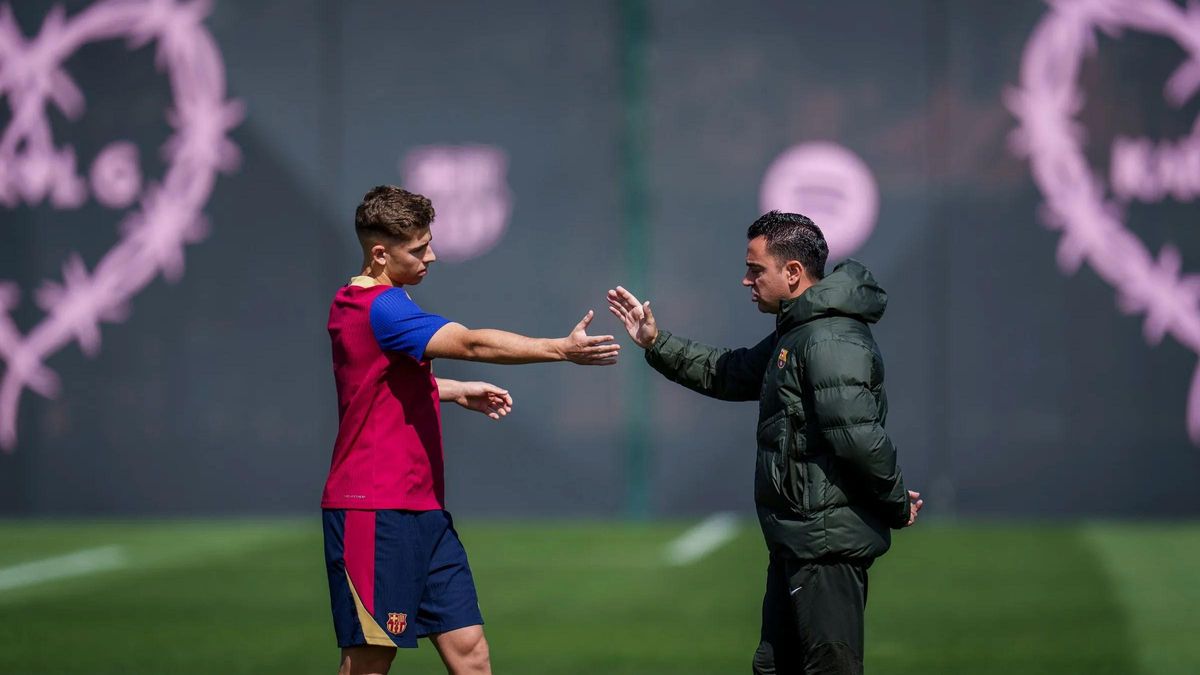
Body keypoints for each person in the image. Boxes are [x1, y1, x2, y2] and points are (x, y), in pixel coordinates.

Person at [607, 211, 922, 675]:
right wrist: (655, 342)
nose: (746, 280)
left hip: (823, 547)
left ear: (793, 273)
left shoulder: (827, 337)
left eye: (756, 270)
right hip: (799, 542)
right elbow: (730, 372)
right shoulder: (798, 332)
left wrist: (895, 502)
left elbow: (858, 438)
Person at [324, 185, 619, 675]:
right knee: (370, 661)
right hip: (374, 511)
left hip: (424, 512)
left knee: (472, 655)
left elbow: (377, 388)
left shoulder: (365, 306)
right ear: (380, 253)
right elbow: (472, 342)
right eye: (418, 248)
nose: (431, 256)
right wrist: (560, 349)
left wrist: (453, 390)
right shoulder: (384, 307)